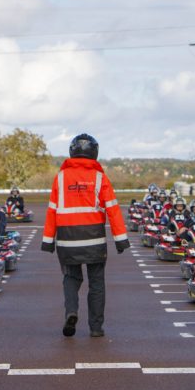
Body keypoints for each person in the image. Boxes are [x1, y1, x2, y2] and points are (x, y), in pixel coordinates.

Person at [41, 132, 129, 338]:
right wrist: (120, 240)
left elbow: (52, 209)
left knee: (70, 278)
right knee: (96, 283)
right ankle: (96, 328)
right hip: (95, 240)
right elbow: (113, 209)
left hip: (66, 239)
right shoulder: (100, 178)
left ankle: (71, 311)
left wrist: (47, 241)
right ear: (94, 153)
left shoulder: (61, 178)